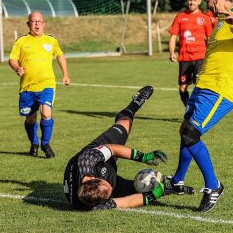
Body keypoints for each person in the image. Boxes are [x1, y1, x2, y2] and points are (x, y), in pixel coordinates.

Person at [167, 0, 233, 212]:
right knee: (185, 130)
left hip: (220, 91)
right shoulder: (219, 21)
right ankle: (178, 181)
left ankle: (213, 186)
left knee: (192, 134)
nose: (207, 5)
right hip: (204, 86)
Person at [63, 86, 194, 210]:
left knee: (123, 125)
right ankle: (170, 186)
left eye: (107, 187)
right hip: (102, 178)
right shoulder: (93, 203)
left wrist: (144, 157)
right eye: (109, 194)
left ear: (92, 179)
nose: (111, 191)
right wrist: (155, 195)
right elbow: (125, 202)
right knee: (144, 188)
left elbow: (113, 149)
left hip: (96, 151)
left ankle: (136, 102)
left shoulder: (86, 160)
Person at [8, 11, 70, 158]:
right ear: (28, 23)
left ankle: (45, 144)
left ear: (44, 23)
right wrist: (17, 68)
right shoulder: (21, 41)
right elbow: (12, 59)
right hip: (27, 87)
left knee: (46, 113)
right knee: (30, 119)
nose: (36, 24)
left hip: (46, 84)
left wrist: (65, 74)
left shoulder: (51, 40)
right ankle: (34, 143)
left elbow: (60, 55)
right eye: (33, 21)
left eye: (39, 21)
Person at [169, 0, 213, 107]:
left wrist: (211, 54)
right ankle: (188, 108)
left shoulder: (205, 18)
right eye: (190, 0)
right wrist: (172, 52)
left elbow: (209, 39)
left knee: (200, 83)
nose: (191, 3)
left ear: (199, 2)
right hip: (184, 57)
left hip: (200, 57)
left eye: (194, 0)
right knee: (183, 88)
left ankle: (200, 110)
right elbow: (173, 36)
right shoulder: (180, 17)